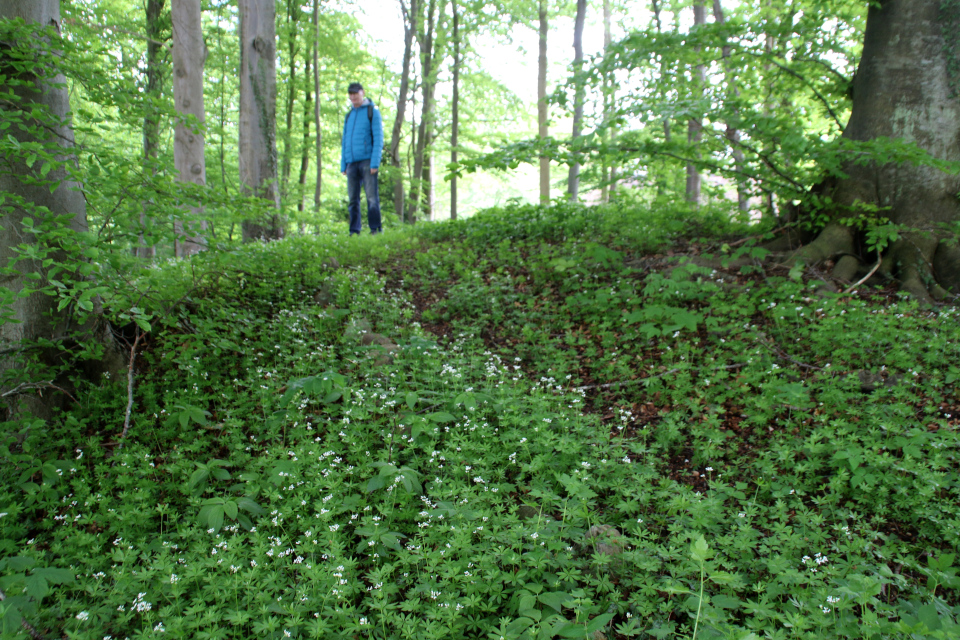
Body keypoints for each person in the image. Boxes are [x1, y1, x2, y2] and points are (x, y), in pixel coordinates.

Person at [340, 82, 384, 235]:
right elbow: (345, 140)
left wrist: (375, 162)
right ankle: (354, 231)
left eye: (355, 94)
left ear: (362, 93)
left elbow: (378, 139)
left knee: (372, 198)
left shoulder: (372, 112)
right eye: (350, 94)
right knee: (353, 200)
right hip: (351, 163)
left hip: (367, 161)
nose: (353, 97)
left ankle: (375, 229)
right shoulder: (349, 116)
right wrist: (343, 164)